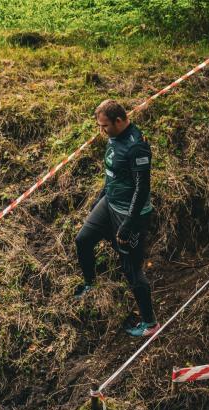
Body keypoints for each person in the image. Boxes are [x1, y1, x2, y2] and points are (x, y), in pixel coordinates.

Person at [74, 99, 160, 337]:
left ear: (120, 121)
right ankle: (91, 284)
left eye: (105, 126)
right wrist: (100, 198)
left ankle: (150, 323)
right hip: (109, 203)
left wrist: (128, 224)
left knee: (131, 269)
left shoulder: (137, 147)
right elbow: (112, 175)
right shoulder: (114, 137)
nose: (102, 131)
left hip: (131, 213)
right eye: (100, 126)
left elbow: (142, 190)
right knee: (83, 240)